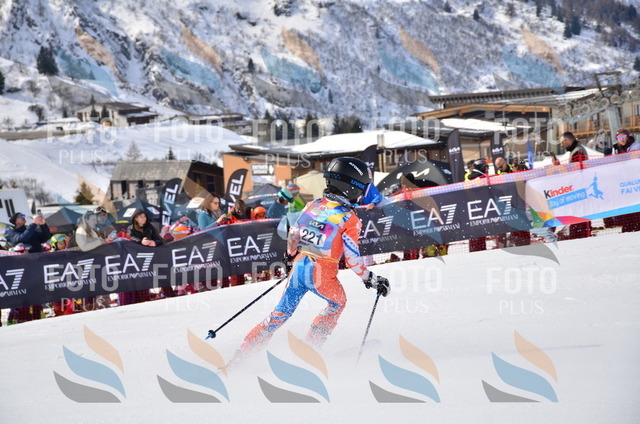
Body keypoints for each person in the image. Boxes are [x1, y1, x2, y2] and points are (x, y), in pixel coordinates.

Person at [234, 157, 390, 362]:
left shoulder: (314, 205)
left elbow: (294, 233)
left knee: (280, 312)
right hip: (322, 275)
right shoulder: (349, 219)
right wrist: (371, 279)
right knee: (337, 303)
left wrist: (290, 256)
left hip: (299, 266)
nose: (362, 194)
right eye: (362, 188)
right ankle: (310, 349)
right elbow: (352, 260)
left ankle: (243, 354)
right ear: (351, 187)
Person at [75, 211, 112, 310]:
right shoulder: (81, 231)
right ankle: (92, 307)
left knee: (102, 284)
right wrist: (100, 241)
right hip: (87, 264)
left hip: (97, 261)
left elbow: (97, 244)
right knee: (91, 288)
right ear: (86, 220)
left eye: (95, 219)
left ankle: (103, 304)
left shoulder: (93, 230)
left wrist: (105, 241)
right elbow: (84, 247)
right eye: (93, 220)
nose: (95, 222)